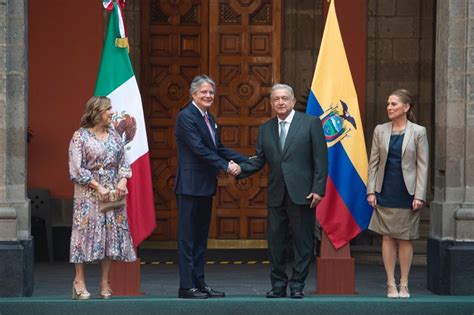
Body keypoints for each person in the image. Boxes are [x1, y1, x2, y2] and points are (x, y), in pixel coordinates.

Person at [230, 83, 328, 299]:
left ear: (293, 101)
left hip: (303, 194)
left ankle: (297, 285)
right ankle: (278, 285)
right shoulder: (265, 128)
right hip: (276, 194)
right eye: (276, 99)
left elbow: (320, 160)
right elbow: (259, 160)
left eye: (285, 98)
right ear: (272, 103)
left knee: (303, 243)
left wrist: (318, 189)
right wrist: (239, 169)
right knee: (276, 243)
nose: (280, 102)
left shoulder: (310, 123)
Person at [174, 75, 247, 299]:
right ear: (193, 94)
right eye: (203, 92)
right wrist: (227, 167)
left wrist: (249, 160)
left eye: (211, 92)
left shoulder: (209, 117)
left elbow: (218, 147)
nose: (208, 96)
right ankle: (186, 287)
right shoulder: (186, 117)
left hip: (205, 185)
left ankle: (200, 283)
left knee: (200, 238)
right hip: (189, 186)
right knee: (188, 238)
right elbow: (199, 149)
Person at [68, 96, 136, 300]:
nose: (112, 113)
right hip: (88, 194)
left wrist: (122, 182)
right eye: (108, 109)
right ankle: (79, 281)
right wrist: (98, 187)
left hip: (112, 193)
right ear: (96, 112)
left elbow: (124, 161)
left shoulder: (115, 136)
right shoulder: (80, 136)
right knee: (83, 235)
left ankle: (105, 282)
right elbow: (76, 169)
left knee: (109, 236)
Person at [366, 89, 429, 299]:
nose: (389, 108)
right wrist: (371, 190)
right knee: (387, 237)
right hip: (385, 190)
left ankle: (404, 284)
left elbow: (423, 165)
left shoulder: (418, 132)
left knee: (405, 238)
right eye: (388, 104)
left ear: (406, 107)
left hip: (407, 193)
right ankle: (390, 284)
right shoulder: (380, 130)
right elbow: (373, 163)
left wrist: (419, 195)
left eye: (393, 104)